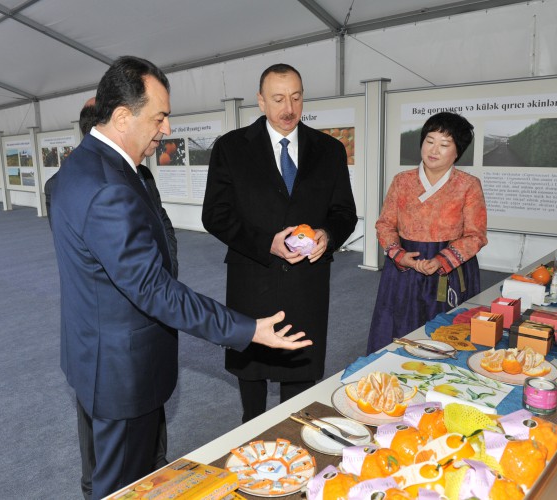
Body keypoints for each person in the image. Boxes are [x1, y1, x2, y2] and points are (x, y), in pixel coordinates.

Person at [49, 56, 311, 500]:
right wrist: (247, 328)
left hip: (96, 354)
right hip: (121, 371)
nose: (166, 129)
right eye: (159, 117)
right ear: (121, 116)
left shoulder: (79, 171)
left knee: (131, 472)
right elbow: (152, 288)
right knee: (121, 487)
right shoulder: (108, 187)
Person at [202, 63, 357, 423]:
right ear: (260, 101)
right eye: (278, 99)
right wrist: (264, 244)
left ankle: (296, 431)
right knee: (251, 373)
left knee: (300, 373)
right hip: (253, 277)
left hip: (307, 282)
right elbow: (216, 215)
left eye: (296, 97)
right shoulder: (231, 148)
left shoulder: (329, 150)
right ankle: (251, 429)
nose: (289, 109)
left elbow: (344, 213)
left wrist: (328, 236)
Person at [47, 96, 177, 499]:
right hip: (111, 344)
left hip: (133, 339)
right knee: (107, 456)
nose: (163, 129)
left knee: (145, 432)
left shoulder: (138, 176)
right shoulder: (82, 186)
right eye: (157, 118)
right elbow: (107, 269)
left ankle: (152, 473)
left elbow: (160, 231)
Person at [366, 112, 487, 354]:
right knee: (398, 331)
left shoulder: (468, 185)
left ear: (457, 152)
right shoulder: (402, 181)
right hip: (404, 267)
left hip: (448, 270)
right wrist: (399, 255)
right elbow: (385, 224)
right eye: (429, 141)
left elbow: (476, 235)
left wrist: (441, 260)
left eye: (444, 144)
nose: (434, 150)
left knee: (447, 335)